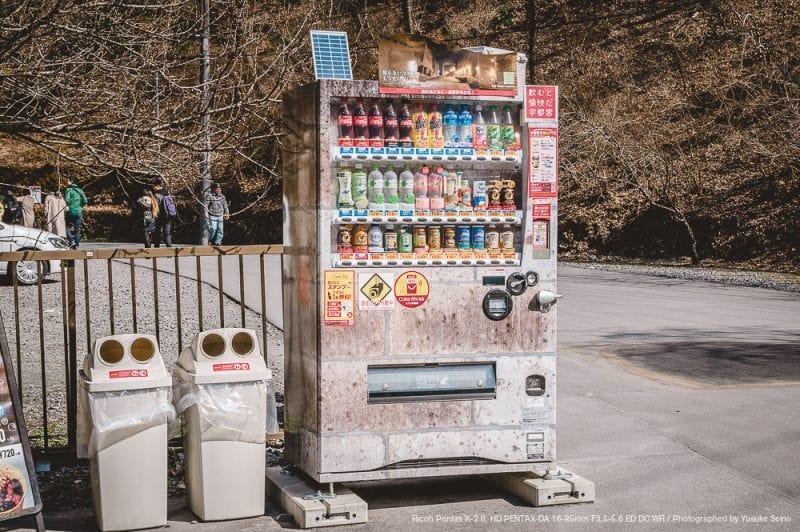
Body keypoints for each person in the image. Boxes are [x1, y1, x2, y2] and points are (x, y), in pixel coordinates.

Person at [64, 178, 88, 247]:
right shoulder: (80, 191)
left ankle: (71, 240)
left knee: (67, 226)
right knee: (77, 229)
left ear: (71, 181)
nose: (67, 181)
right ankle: (77, 243)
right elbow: (85, 201)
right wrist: (80, 206)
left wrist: (70, 204)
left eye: (68, 180)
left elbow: (67, 200)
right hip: (78, 211)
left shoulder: (69, 190)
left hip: (71, 211)